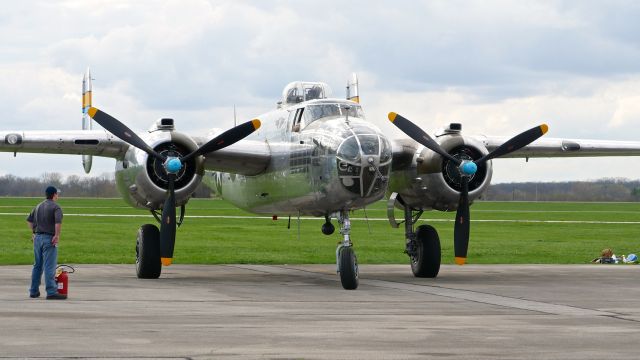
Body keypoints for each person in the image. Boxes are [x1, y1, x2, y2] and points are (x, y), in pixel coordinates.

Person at [26, 185, 65, 300]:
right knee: (49, 266)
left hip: (37, 238)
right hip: (49, 239)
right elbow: (58, 223)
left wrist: (33, 232)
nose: (58, 195)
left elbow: (29, 220)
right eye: (57, 193)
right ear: (54, 195)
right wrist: (57, 235)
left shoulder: (38, 206)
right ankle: (51, 292)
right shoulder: (56, 207)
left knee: (37, 265)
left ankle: (33, 291)